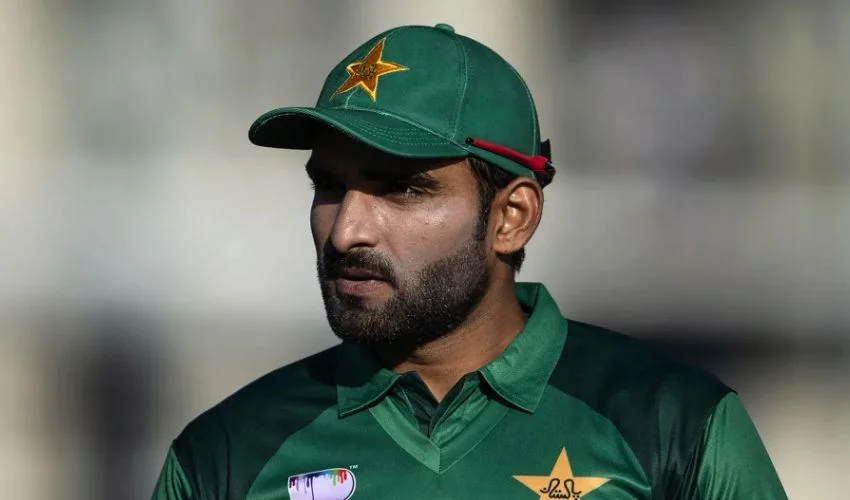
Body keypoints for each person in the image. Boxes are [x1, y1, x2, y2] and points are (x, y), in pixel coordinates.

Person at [151, 23, 787, 499]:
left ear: (512, 217)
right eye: (329, 186)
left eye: (402, 189)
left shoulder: (676, 425)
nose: (346, 231)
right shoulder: (227, 455)